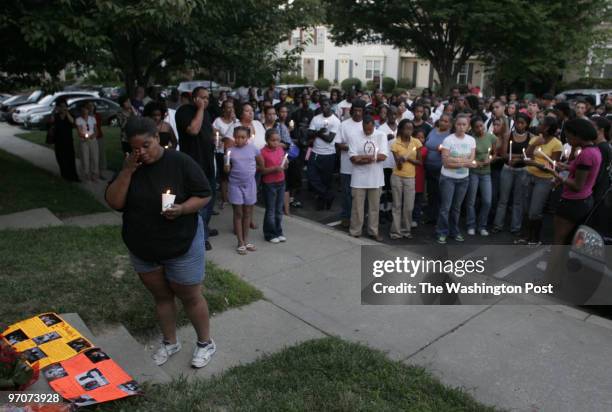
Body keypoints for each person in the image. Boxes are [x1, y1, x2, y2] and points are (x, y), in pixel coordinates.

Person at [105, 116, 215, 369]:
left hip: (181, 242)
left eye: (146, 145)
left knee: (190, 295)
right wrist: (127, 171)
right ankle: (170, 342)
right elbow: (115, 202)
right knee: (162, 296)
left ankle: (205, 343)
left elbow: (205, 194)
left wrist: (183, 208)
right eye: (135, 148)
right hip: (143, 246)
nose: (141, 152)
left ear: (157, 137)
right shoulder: (130, 166)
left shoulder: (180, 161)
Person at [543, 119, 602, 286]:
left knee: (558, 243)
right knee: (566, 243)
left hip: (572, 203)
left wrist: (555, 174)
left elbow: (577, 185)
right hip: (584, 200)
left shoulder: (586, 154)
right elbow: (579, 170)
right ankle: (557, 279)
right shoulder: (593, 150)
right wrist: (565, 167)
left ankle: (548, 281)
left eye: (568, 136)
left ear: (577, 135)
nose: (567, 139)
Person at [175, 87, 217, 251]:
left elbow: (206, 133)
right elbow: (193, 130)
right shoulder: (184, 111)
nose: (206, 101)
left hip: (208, 164)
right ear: (194, 98)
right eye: (202, 98)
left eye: (207, 98)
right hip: (193, 165)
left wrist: (214, 138)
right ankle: (200, 237)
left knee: (210, 200)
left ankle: (204, 229)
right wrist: (199, 109)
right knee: (199, 203)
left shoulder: (205, 114)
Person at [518, 116, 563, 245]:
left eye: (541, 124)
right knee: (526, 209)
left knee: (535, 211)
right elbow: (526, 156)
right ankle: (525, 236)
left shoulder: (557, 144)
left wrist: (536, 164)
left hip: (543, 180)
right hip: (528, 175)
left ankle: (535, 239)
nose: (537, 125)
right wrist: (536, 144)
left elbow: (552, 167)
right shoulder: (535, 139)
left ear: (547, 128)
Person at [436, 115, 476, 244]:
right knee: (445, 207)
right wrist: (464, 162)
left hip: (463, 178)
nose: (461, 127)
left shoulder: (471, 140)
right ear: (455, 125)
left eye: (464, 124)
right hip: (448, 178)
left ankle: (454, 231)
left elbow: (472, 160)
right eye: (459, 124)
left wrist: (455, 160)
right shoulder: (448, 140)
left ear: (468, 126)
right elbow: (446, 163)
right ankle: (442, 232)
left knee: (456, 208)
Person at [348, 116, 388, 240]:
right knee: (357, 208)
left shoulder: (381, 135)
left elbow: (383, 156)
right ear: (362, 126)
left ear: (374, 126)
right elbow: (353, 159)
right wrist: (371, 158)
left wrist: (363, 158)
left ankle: (373, 231)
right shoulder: (354, 136)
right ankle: (355, 230)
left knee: (374, 208)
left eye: (370, 130)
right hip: (358, 178)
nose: (367, 132)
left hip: (375, 179)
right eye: (365, 130)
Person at [225, 126, 262, 254]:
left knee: (247, 213)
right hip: (235, 185)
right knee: (238, 213)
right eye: (237, 137)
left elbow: (261, 164)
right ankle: (240, 241)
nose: (239, 140)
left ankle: (246, 240)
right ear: (234, 137)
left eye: (243, 137)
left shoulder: (253, 149)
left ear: (247, 138)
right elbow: (227, 170)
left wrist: (251, 171)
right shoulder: (230, 150)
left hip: (250, 184)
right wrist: (226, 166)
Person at [493, 113, 531, 235]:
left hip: (522, 170)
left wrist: (516, 158)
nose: (519, 125)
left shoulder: (531, 137)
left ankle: (515, 227)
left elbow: (530, 155)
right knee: (503, 199)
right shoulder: (508, 135)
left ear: (527, 125)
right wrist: (521, 156)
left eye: (522, 123)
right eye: (518, 122)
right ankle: (498, 225)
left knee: (518, 200)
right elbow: (504, 154)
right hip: (507, 169)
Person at [389, 119, 422, 239]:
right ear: (401, 129)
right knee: (397, 205)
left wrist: (409, 159)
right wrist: (400, 161)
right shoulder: (395, 144)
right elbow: (398, 165)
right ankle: (395, 232)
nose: (409, 131)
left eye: (411, 129)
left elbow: (419, 162)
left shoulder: (416, 142)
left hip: (410, 178)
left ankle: (406, 230)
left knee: (408, 207)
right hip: (397, 176)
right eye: (407, 128)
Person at [307, 98, 341, 210]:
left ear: (330, 105)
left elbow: (330, 139)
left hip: (329, 154)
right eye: (322, 105)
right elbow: (310, 134)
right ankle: (328, 195)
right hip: (316, 152)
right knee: (311, 177)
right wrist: (319, 132)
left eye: (326, 105)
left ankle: (322, 202)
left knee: (325, 180)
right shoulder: (316, 118)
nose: (324, 107)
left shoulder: (335, 121)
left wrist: (318, 133)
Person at [336, 99, 366, 227]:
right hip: (347, 166)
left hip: (362, 167)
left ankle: (359, 218)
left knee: (360, 195)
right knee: (347, 194)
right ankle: (346, 217)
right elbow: (338, 143)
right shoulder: (344, 125)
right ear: (351, 110)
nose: (358, 113)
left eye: (360, 111)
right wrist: (351, 148)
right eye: (356, 110)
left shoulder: (367, 125)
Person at [466, 117, 497, 236]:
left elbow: (495, 153)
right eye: (477, 127)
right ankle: (471, 225)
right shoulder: (470, 139)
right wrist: (475, 162)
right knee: (471, 201)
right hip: (473, 172)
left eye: (481, 126)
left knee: (487, 201)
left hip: (486, 173)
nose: (480, 129)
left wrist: (490, 159)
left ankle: (482, 225)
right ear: (473, 128)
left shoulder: (490, 137)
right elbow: (467, 156)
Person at [260, 129, 288, 243]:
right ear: (267, 140)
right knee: (271, 209)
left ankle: (278, 231)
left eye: (278, 140)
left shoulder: (280, 149)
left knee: (278, 209)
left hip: (281, 181)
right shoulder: (262, 152)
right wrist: (274, 169)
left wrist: (286, 164)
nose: (276, 143)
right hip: (269, 183)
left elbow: (283, 163)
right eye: (273, 140)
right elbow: (262, 170)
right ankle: (269, 234)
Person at [423, 113, 452, 224]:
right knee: (431, 194)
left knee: (440, 195)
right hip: (429, 167)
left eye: (446, 121)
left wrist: (442, 150)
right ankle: (431, 216)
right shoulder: (433, 130)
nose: (443, 123)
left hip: (441, 169)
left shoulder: (449, 135)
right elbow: (427, 143)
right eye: (441, 120)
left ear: (450, 124)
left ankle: (440, 219)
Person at [213, 100, 240, 208]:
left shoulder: (237, 121)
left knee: (234, 175)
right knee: (224, 176)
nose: (230, 110)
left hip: (235, 151)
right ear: (223, 109)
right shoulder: (218, 121)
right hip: (221, 151)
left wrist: (234, 122)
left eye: (232, 107)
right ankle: (225, 199)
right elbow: (216, 135)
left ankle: (234, 197)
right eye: (228, 107)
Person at [49, 98, 79, 182]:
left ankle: (74, 176)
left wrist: (66, 112)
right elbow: (51, 122)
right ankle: (65, 176)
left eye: (64, 106)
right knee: (61, 159)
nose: (63, 108)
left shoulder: (69, 115)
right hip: (58, 141)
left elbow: (73, 122)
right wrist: (54, 111)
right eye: (61, 106)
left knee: (70, 159)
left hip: (68, 141)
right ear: (58, 107)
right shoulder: (56, 116)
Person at [378, 106, 399, 221]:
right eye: (391, 114)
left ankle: (389, 210)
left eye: (395, 114)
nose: (393, 116)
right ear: (387, 115)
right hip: (385, 163)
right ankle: (381, 210)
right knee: (383, 189)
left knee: (392, 189)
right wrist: (385, 138)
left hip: (395, 163)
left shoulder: (400, 127)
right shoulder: (381, 128)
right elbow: (377, 144)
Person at [75, 104, 100, 182]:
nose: (84, 111)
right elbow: (79, 132)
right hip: (84, 141)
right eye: (83, 110)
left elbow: (96, 129)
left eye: (86, 109)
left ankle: (94, 175)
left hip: (93, 140)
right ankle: (85, 175)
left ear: (88, 110)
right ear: (80, 111)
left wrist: (94, 135)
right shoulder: (78, 120)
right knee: (85, 159)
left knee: (94, 158)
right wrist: (86, 136)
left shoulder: (92, 119)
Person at [412, 129, 428, 227]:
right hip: (410, 175)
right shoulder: (410, 148)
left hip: (420, 177)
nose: (420, 139)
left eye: (422, 137)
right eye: (418, 137)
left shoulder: (425, 150)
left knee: (418, 199)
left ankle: (415, 218)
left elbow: (420, 159)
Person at [86, 101, 106, 177]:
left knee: (101, 155)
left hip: (99, 137)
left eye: (92, 106)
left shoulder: (97, 115)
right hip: (91, 138)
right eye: (89, 106)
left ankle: (101, 172)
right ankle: (93, 172)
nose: (91, 107)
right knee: (92, 155)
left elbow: (99, 126)